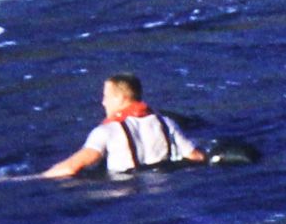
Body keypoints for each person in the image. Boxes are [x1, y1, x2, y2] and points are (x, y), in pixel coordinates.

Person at [41, 73, 206, 178]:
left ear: (120, 98)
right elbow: (196, 157)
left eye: (106, 96)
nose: (103, 102)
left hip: (126, 194)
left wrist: (36, 178)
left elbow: (71, 168)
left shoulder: (107, 131)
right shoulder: (166, 123)